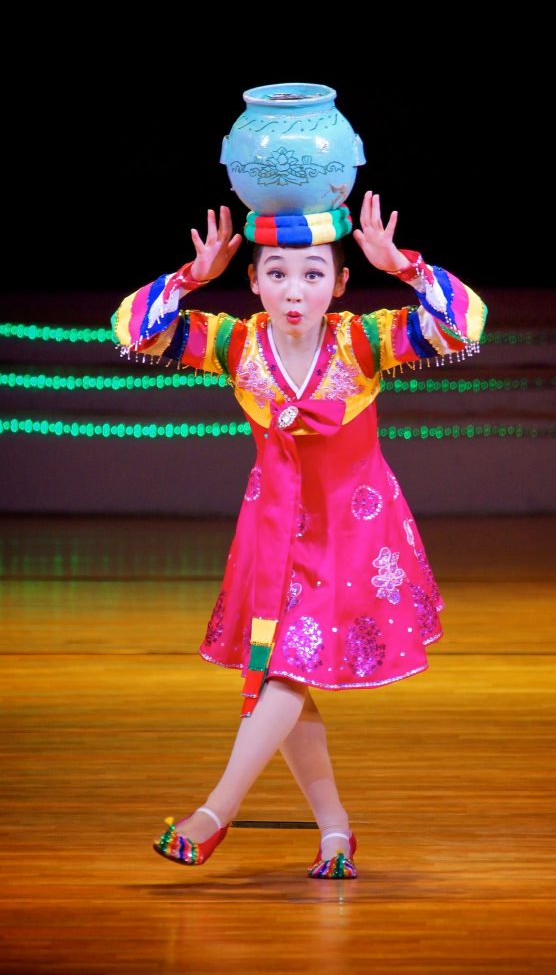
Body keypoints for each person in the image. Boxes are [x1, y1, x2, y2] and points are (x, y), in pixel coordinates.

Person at [111, 190, 488, 878]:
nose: (294, 290)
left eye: (314, 273)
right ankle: (336, 832)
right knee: (287, 675)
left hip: (353, 534)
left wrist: (403, 267)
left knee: (280, 672)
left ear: (340, 284)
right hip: (272, 537)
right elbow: (131, 330)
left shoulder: (365, 341)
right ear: (252, 280)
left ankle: (213, 813)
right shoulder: (235, 343)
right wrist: (190, 280)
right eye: (276, 272)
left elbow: (465, 325)